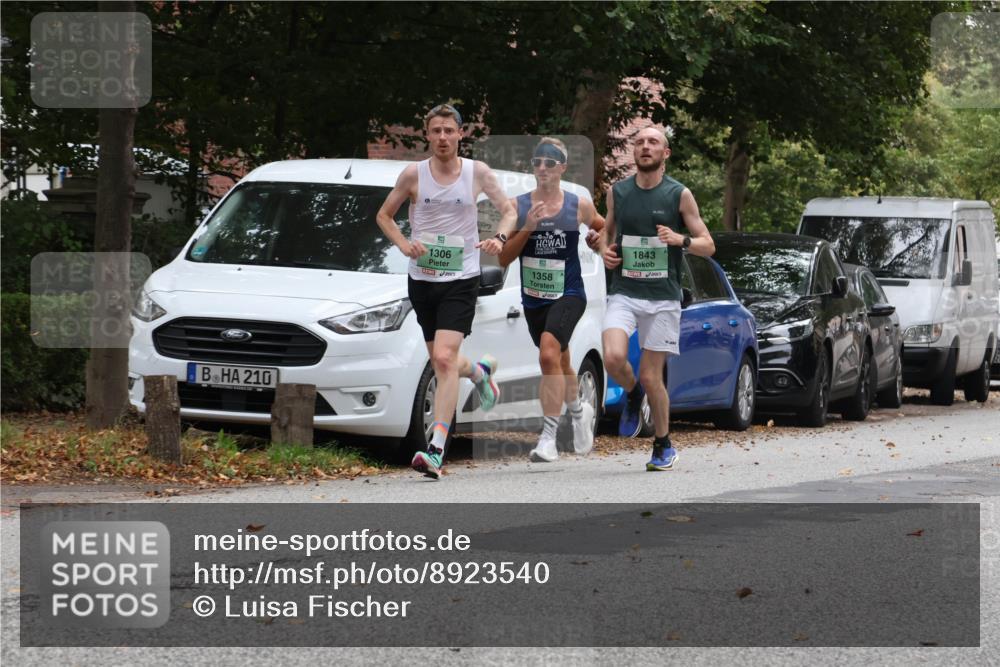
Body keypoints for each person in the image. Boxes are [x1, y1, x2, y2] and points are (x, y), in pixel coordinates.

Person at [376, 103, 517, 479]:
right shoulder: (413, 174)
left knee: (442, 359)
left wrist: (500, 238)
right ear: (428, 134)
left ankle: (436, 449)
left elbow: (509, 211)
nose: (442, 137)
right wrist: (404, 245)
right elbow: (384, 215)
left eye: (449, 130)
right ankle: (480, 373)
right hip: (422, 280)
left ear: (460, 134)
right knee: (445, 361)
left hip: (461, 278)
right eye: (436, 131)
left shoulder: (476, 172)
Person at [594, 126, 714, 471]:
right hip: (625, 291)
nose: (645, 147)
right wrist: (605, 252)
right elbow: (607, 234)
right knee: (613, 357)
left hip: (663, 298)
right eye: (640, 142)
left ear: (665, 154)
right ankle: (633, 394)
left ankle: (663, 444)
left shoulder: (679, 194)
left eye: (653, 142)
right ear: (634, 151)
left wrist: (680, 240)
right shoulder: (618, 192)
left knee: (651, 376)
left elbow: (708, 244)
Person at [498, 138, 605, 462]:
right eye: (537, 162)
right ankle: (579, 412)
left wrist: (598, 239)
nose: (542, 167)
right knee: (560, 361)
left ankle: (548, 438)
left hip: (569, 293)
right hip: (534, 299)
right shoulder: (517, 206)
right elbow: (503, 258)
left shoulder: (578, 205)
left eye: (550, 162)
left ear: (562, 167)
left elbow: (603, 227)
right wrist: (528, 228)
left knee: (547, 354)